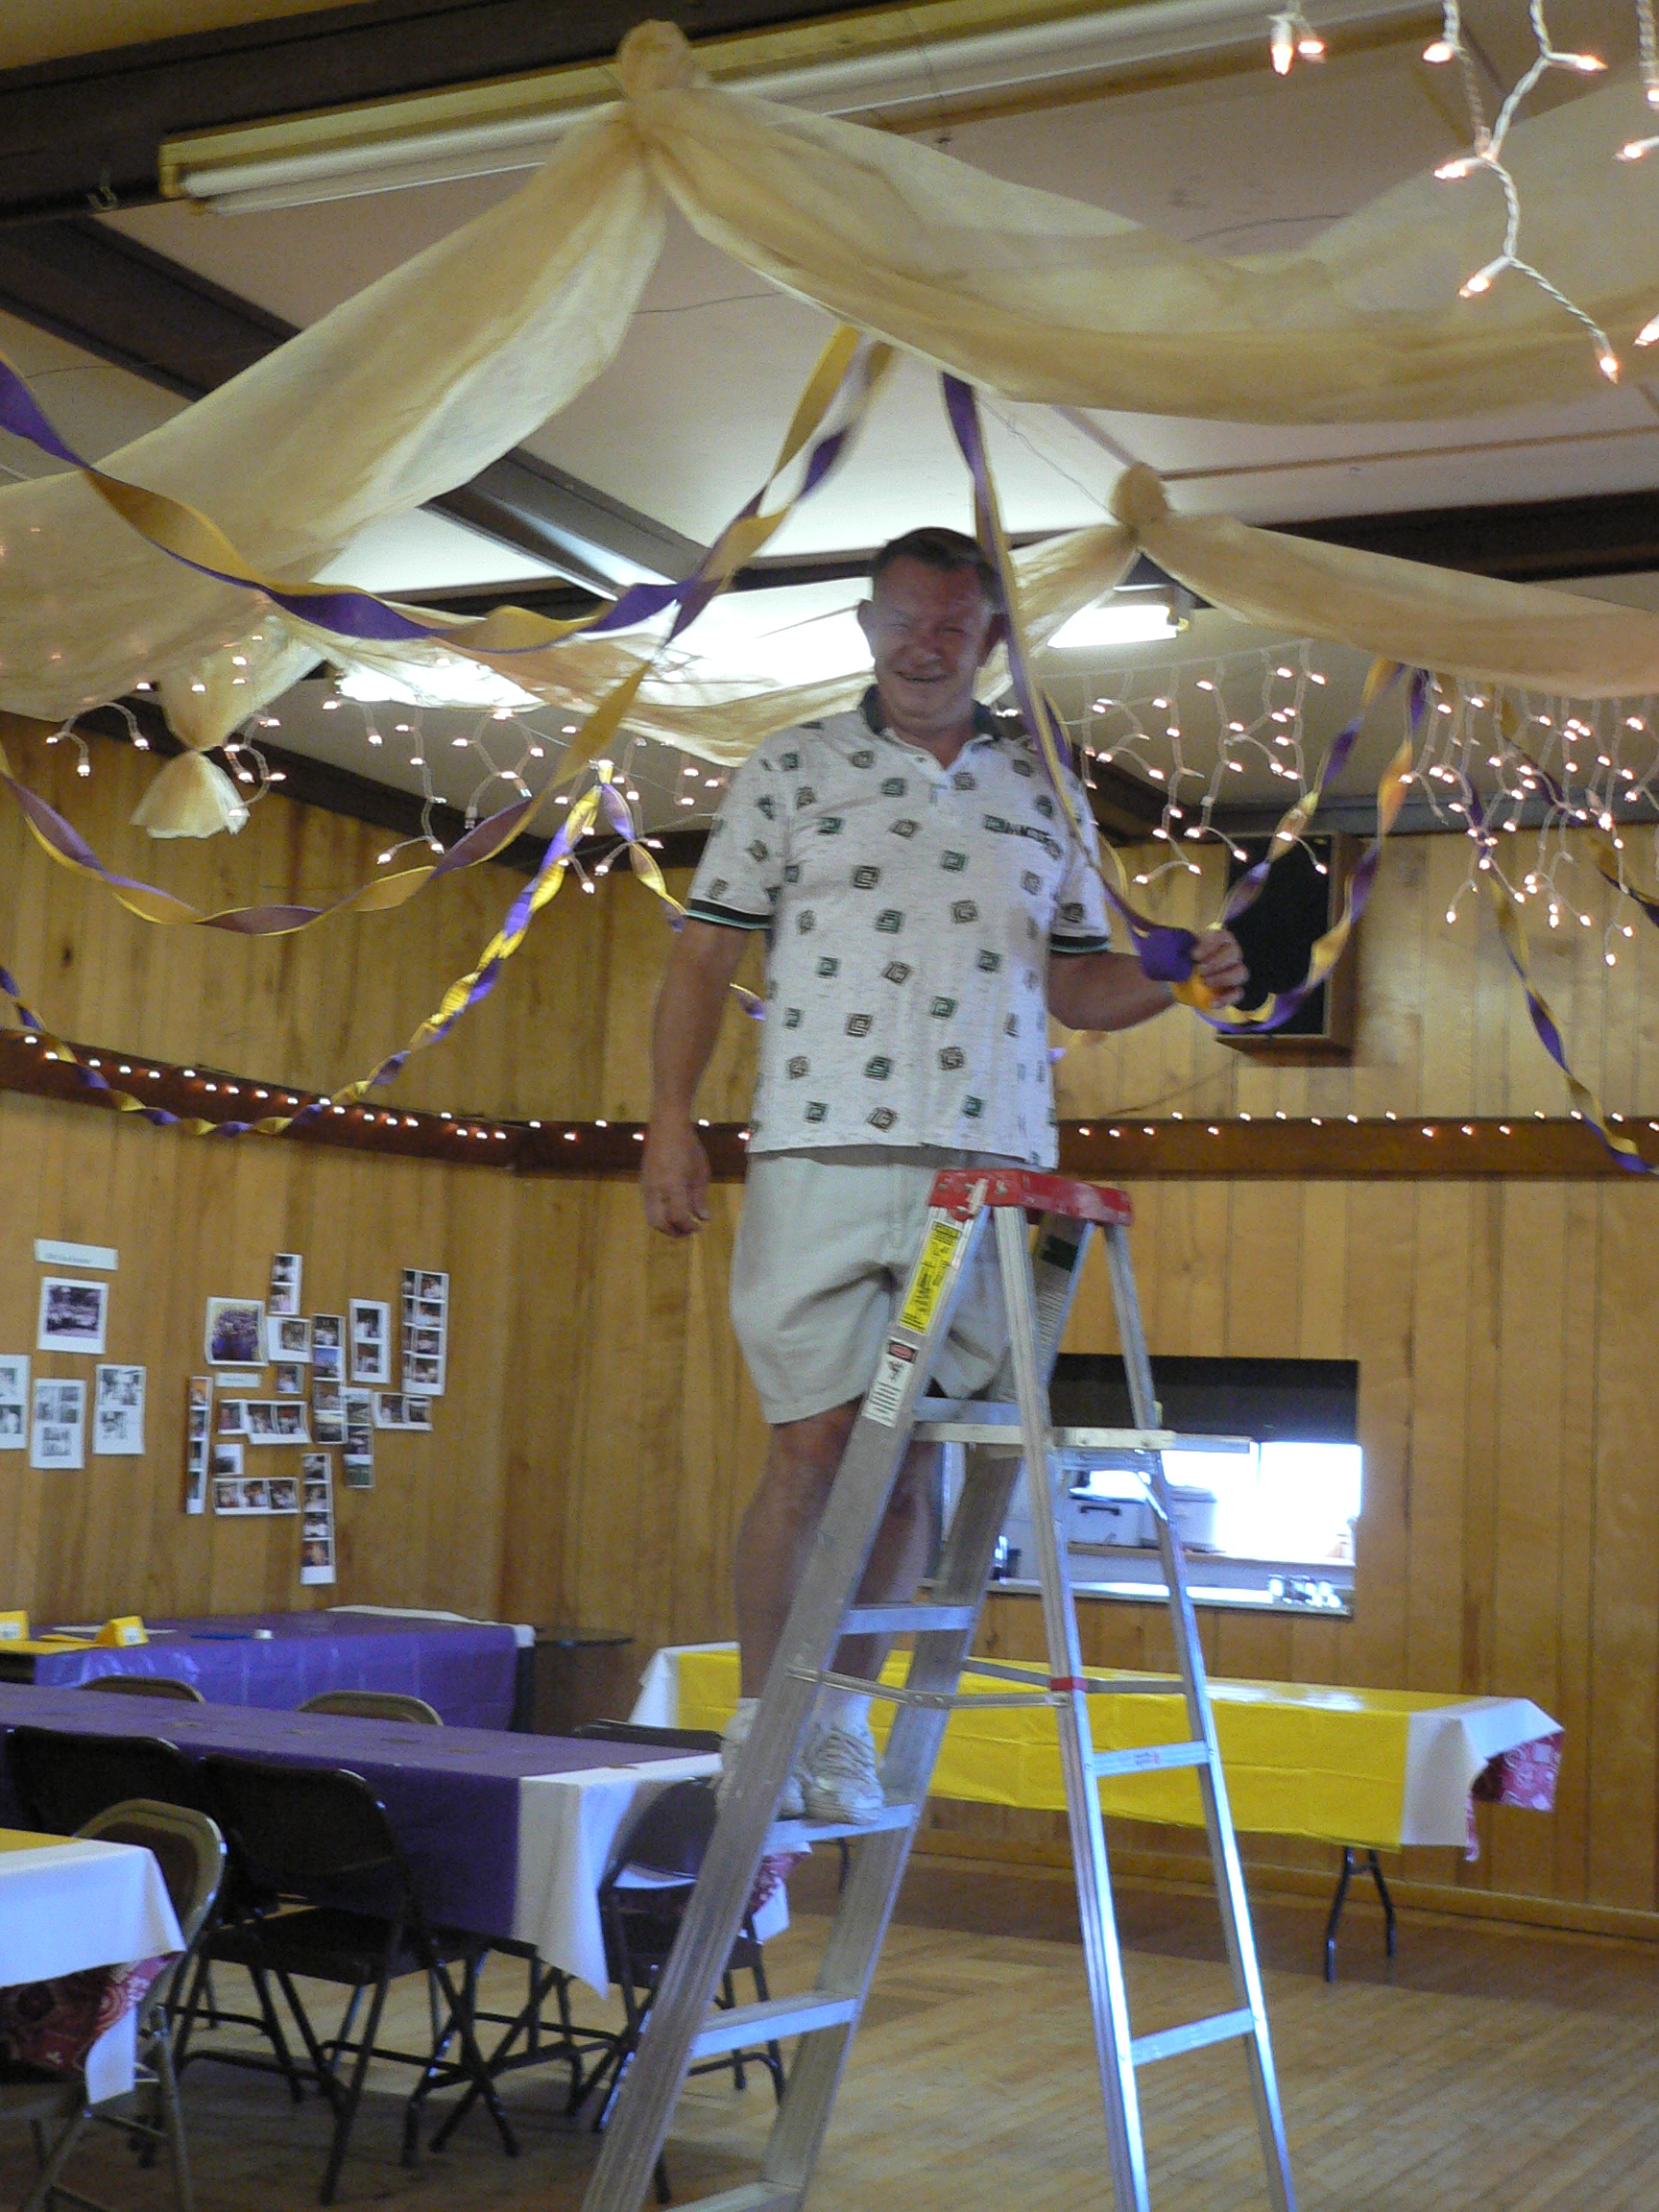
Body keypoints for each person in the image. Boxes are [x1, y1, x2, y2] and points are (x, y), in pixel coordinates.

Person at [641, 526, 1246, 1822]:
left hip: (992, 1167)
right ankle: (765, 1718)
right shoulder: (791, 765)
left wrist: (1178, 982)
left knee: (910, 1457)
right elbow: (702, 957)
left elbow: (1080, 985)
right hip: (820, 1147)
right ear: (867, 627)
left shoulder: (1042, 789)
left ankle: (840, 1727)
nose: (925, 645)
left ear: (991, 640)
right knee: (811, 1447)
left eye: (953, 625)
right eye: (904, 620)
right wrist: (670, 1121)